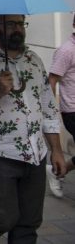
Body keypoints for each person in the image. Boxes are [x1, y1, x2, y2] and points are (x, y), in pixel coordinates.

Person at [0, 14, 67, 244]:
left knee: (28, 224)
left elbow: (47, 106)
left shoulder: (34, 60)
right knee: (2, 218)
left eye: (21, 24)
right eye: (11, 24)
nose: (18, 29)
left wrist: (56, 149)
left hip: (36, 154)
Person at [48, 13, 75, 197]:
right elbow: (51, 81)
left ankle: (59, 170)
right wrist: (50, 113)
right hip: (72, 110)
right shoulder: (66, 51)